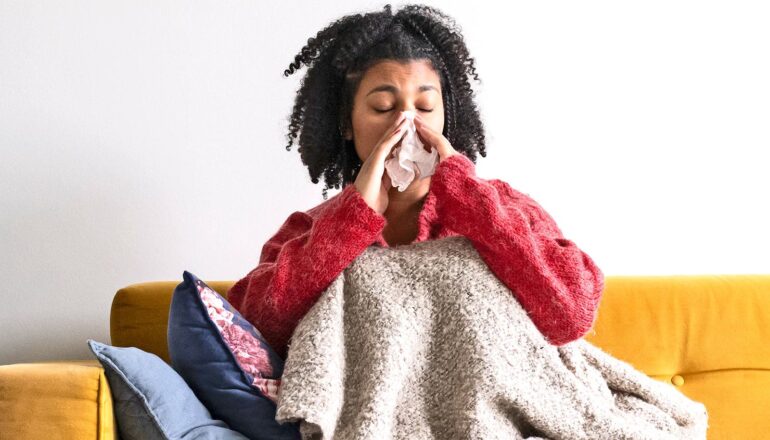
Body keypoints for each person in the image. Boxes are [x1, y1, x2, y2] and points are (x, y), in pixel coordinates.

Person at [227, 4, 605, 361]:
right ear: (346, 123)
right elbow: (256, 332)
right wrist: (352, 220)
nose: (406, 125)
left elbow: (571, 315)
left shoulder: (501, 207)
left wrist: (468, 197)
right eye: (383, 108)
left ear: (446, 116)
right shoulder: (308, 229)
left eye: (424, 108)